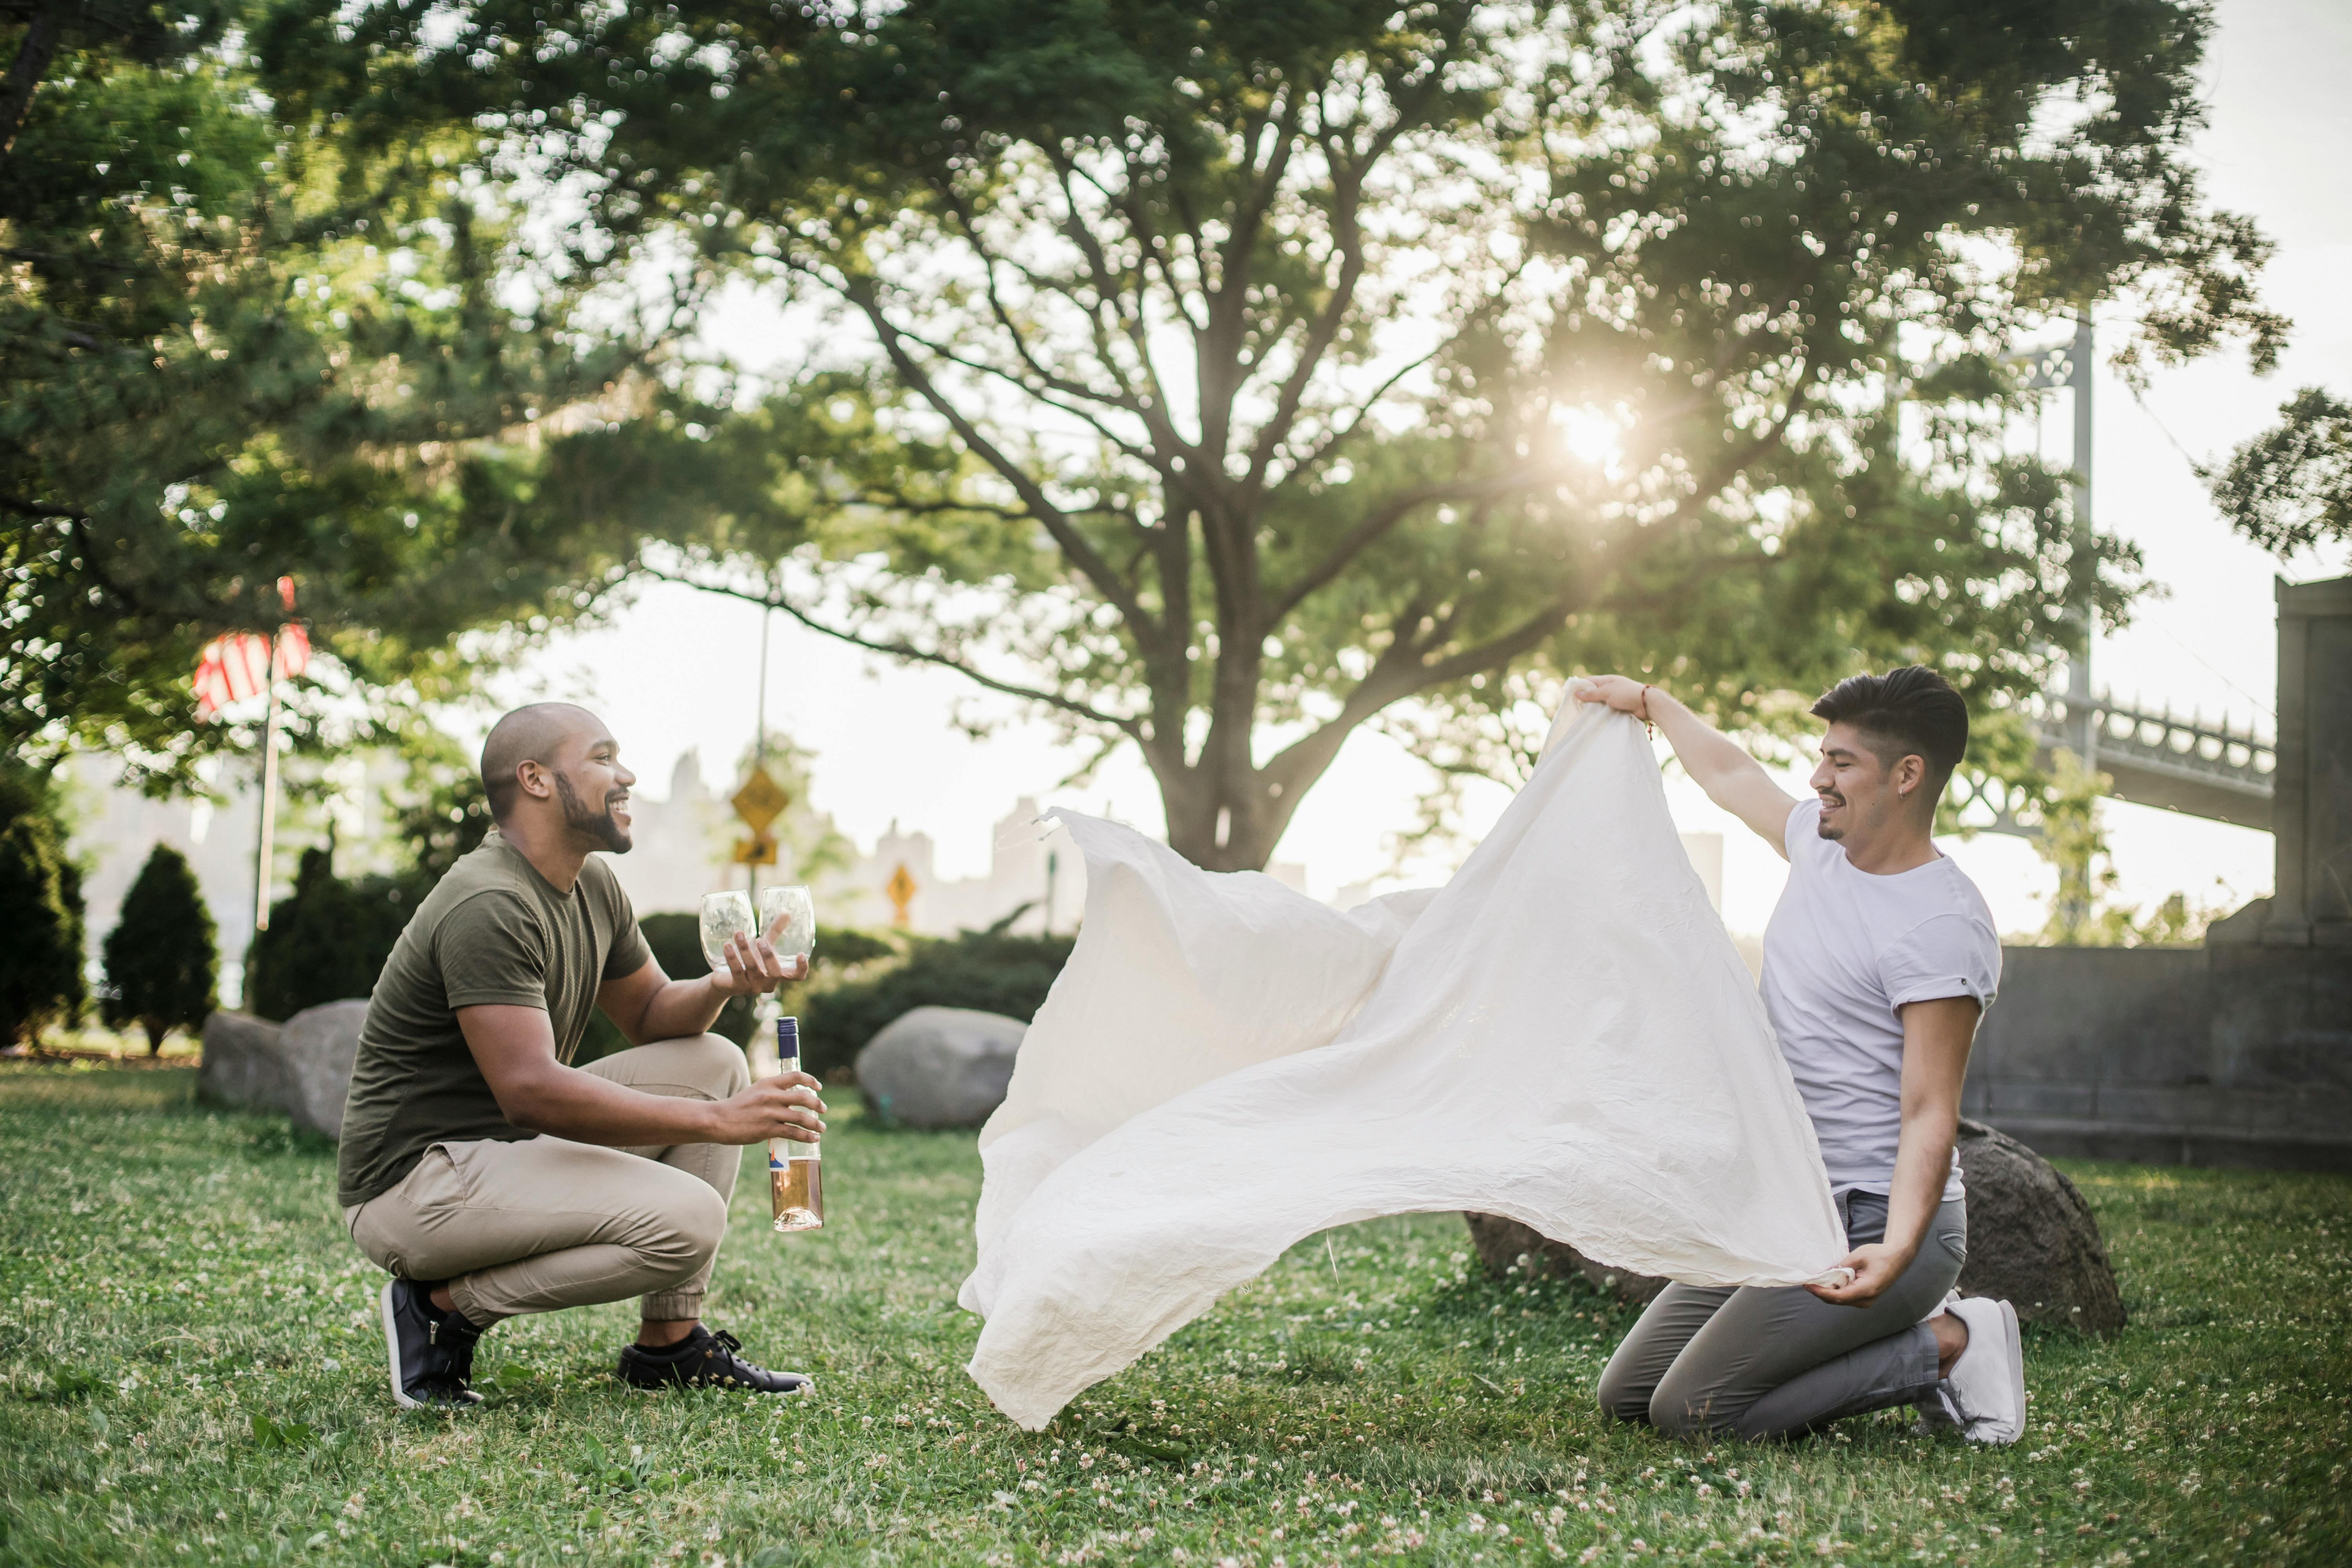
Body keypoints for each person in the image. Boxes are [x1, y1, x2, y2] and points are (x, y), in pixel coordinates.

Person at [1578, 667, 2027, 1444]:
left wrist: (1893, 1249)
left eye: (1842, 763)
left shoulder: (1942, 924)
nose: (1818, 778)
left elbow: (1930, 1110)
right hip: (1791, 1205)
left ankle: (1950, 1343)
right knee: (1629, 1394)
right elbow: (1729, 771)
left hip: (1880, 1222)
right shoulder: (1817, 847)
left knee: (1692, 1411)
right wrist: (1648, 701)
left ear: (1907, 774)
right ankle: (1890, 1343)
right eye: (1822, 757)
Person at [337, 702, 826, 1408]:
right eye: (602, 758)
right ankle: (442, 1308)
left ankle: (669, 1346)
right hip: (413, 1186)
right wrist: (722, 1123)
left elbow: (654, 1016)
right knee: (688, 1220)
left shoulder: (589, 884)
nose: (625, 775)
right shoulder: (490, 902)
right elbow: (530, 1093)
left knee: (713, 1059)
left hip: (500, 1151)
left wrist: (724, 984)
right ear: (535, 779)